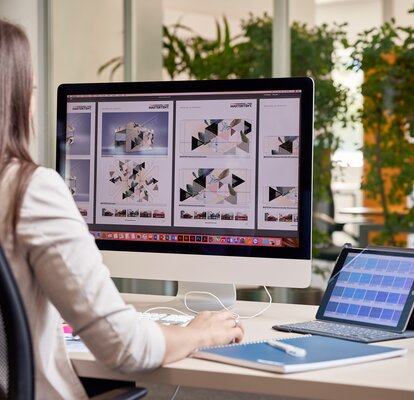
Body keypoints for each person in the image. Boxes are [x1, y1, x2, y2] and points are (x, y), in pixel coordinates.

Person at [0, 18, 244, 399]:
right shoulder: (27, 190)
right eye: (30, 89)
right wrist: (201, 333)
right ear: (14, 99)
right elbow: (124, 347)